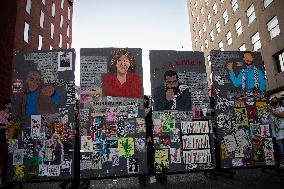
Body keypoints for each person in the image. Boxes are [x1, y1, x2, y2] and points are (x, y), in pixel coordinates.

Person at [269, 96, 284, 167]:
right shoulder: (269, 110)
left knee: (281, 148)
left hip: (282, 133)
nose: (273, 102)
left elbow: (282, 115)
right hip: (275, 134)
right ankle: (278, 162)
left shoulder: (282, 108)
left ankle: (281, 161)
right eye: (272, 101)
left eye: (275, 100)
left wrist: (271, 111)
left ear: (278, 101)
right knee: (277, 150)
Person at [0, 99, 12, 185]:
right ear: (6, 105)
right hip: (1, 139)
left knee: (8, 160)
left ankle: (6, 179)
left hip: (10, 140)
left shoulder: (11, 115)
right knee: (2, 160)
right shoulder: (0, 114)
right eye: (10, 104)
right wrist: (7, 126)